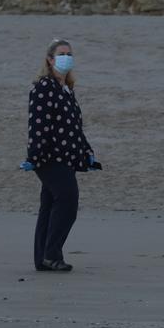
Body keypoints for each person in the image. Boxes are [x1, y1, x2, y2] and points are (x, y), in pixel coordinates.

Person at [20, 39, 101, 272]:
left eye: (69, 53)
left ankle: (43, 259)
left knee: (49, 204)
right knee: (68, 200)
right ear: (50, 59)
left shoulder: (67, 89)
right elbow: (38, 125)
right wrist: (35, 157)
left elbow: (75, 127)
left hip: (67, 158)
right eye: (61, 53)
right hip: (48, 158)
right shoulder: (43, 87)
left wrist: (88, 153)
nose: (66, 57)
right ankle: (52, 254)